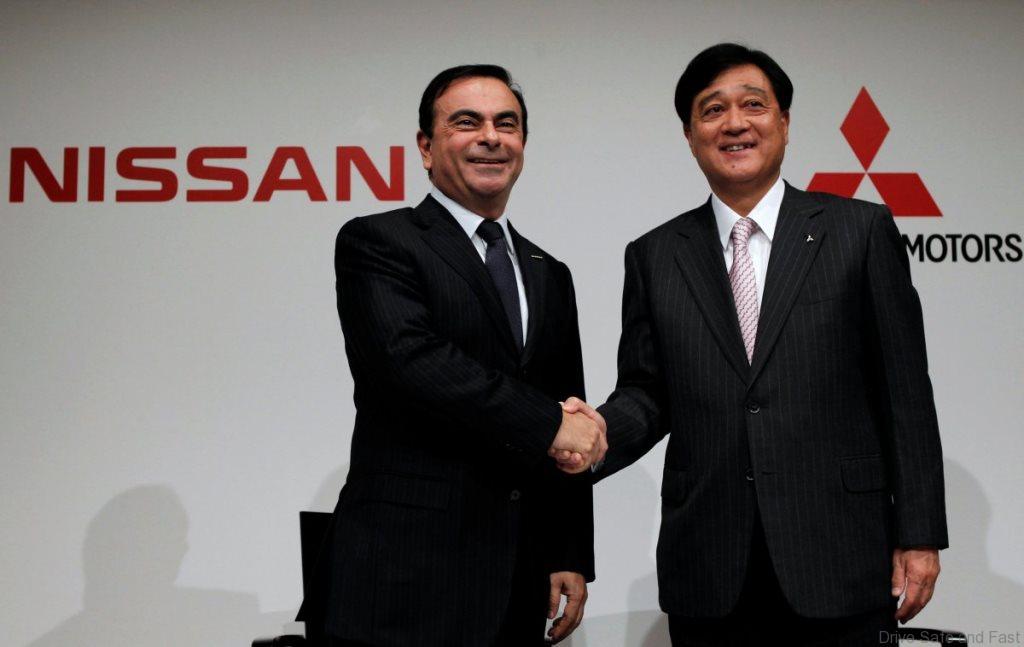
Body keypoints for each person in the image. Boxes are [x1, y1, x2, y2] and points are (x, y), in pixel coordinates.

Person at [561, 43, 947, 645]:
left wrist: (919, 535)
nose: (735, 123)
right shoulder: (655, 255)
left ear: (784, 122)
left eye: (753, 105)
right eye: (713, 110)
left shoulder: (859, 231)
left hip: (840, 555)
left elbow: (906, 392)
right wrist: (596, 434)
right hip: (709, 562)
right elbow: (648, 392)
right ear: (690, 135)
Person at [298, 64, 606, 647]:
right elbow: (410, 363)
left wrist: (567, 549)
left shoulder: (549, 271)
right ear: (426, 147)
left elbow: (566, 405)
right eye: (467, 122)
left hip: (516, 575)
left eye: (506, 124)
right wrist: (550, 423)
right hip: (403, 572)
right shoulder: (379, 240)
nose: (491, 137)